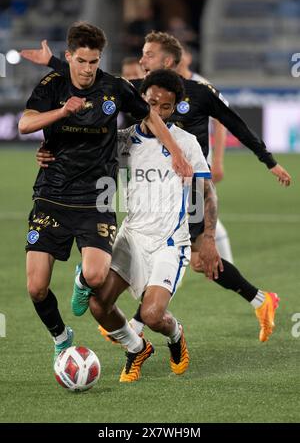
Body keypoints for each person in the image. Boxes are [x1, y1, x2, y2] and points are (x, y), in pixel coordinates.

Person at [21, 31, 291, 343]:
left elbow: (232, 124)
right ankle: (257, 300)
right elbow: (96, 78)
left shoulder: (200, 91)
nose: (141, 60)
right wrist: (55, 65)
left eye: (148, 54)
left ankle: (144, 323)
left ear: (167, 61)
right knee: (197, 260)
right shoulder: (142, 89)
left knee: (197, 256)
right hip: (161, 184)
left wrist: (265, 161)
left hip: (189, 185)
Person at [19, 22, 192, 363]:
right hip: (51, 195)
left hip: (96, 199)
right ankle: (61, 336)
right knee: (36, 287)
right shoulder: (52, 86)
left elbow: (151, 118)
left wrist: (175, 151)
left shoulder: (114, 88)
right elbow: (25, 123)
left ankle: (82, 282)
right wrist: (63, 111)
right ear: (68, 57)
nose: (87, 69)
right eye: (81, 61)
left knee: (97, 275)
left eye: (94, 62)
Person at [88, 69, 220, 382]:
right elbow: (84, 153)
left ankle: (175, 335)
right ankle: (136, 347)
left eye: (166, 107)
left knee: (151, 314)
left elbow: (207, 194)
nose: (158, 111)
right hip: (131, 236)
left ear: (175, 109)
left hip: (168, 243)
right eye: (152, 103)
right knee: (98, 304)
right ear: (141, 100)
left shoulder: (186, 143)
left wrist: (209, 238)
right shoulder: (123, 141)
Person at [176, 45, 233, 263]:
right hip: (171, 163)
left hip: (197, 164)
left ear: (189, 58)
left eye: (182, 54)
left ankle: (224, 267)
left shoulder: (202, 85)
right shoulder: (165, 83)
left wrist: (217, 160)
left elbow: (221, 120)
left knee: (203, 214)